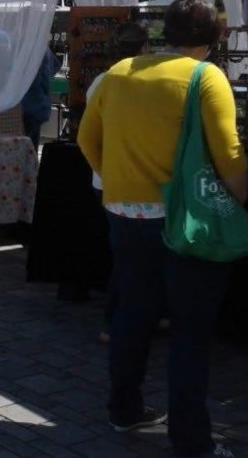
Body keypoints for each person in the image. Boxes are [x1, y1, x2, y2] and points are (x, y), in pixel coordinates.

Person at [78, 0, 247, 458]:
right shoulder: (205, 76)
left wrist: (115, 180)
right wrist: (239, 198)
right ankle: (192, 441)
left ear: (163, 33)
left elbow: (85, 137)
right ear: (212, 40)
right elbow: (229, 151)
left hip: (126, 214)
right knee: (191, 332)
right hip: (185, 218)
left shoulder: (119, 73)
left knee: (134, 314)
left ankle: (124, 408)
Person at [83, 22, 150, 344]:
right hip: (126, 177)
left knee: (125, 253)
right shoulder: (131, 82)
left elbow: (89, 134)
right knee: (131, 257)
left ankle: (130, 316)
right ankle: (115, 320)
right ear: (144, 49)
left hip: (108, 177)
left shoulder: (100, 81)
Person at [21, 46, 57, 149]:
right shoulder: (42, 49)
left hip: (26, 105)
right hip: (36, 105)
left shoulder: (21, 48)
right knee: (31, 147)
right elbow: (51, 71)